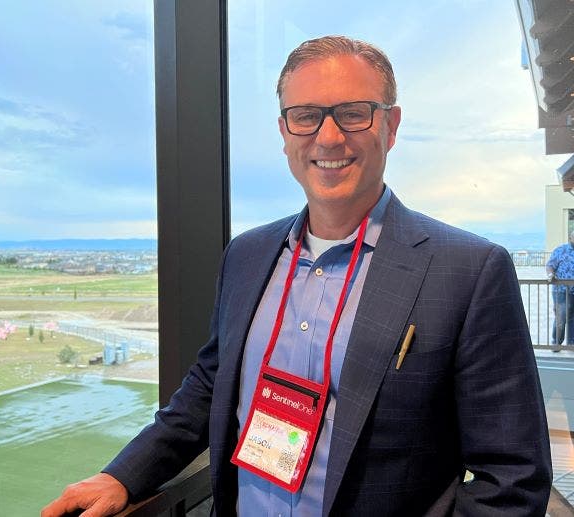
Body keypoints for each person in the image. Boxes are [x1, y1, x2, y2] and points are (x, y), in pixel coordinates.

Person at [42, 36, 551, 517]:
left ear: (391, 126)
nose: (329, 137)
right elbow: (210, 385)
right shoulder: (247, 255)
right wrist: (123, 476)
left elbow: (513, 477)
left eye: (353, 113)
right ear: (285, 132)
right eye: (306, 116)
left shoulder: (467, 270)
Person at [546, 232, 574, 348]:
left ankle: (571, 343)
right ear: (570, 238)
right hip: (561, 290)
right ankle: (556, 342)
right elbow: (550, 266)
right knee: (561, 317)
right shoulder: (561, 250)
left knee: (573, 318)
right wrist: (550, 275)